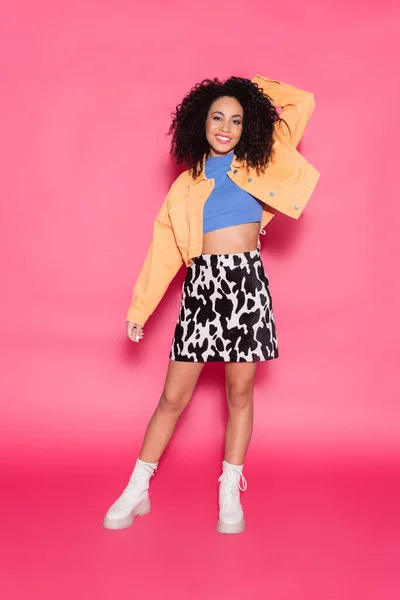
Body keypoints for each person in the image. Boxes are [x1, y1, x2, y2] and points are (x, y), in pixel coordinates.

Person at [103, 74, 320, 534]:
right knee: (171, 398)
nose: (226, 127)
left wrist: (248, 87)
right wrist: (140, 309)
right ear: (200, 122)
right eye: (218, 117)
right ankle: (137, 487)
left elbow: (302, 103)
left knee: (239, 395)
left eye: (237, 120)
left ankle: (229, 491)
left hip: (246, 285)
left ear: (249, 127)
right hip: (202, 288)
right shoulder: (184, 187)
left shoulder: (262, 161)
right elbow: (163, 253)